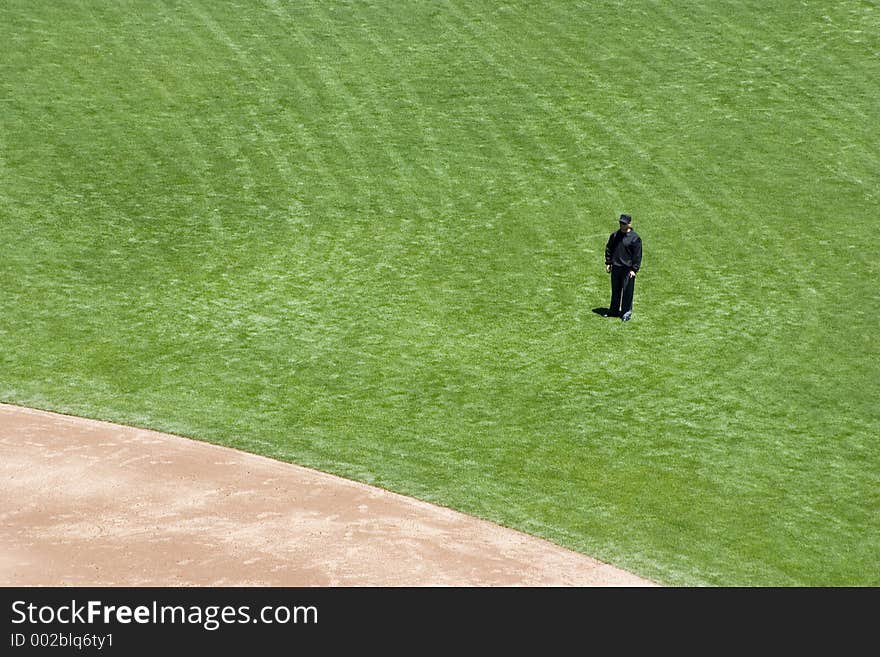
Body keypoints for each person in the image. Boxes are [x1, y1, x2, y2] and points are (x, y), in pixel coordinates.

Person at [604, 213, 642, 321]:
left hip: (627, 270)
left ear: (630, 224)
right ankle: (613, 311)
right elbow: (609, 248)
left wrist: (634, 269)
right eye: (621, 223)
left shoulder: (635, 239)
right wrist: (608, 263)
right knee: (615, 291)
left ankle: (626, 313)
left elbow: (637, 255)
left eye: (624, 224)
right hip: (616, 268)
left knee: (627, 292)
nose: (622, 225)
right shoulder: (615, 236)